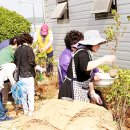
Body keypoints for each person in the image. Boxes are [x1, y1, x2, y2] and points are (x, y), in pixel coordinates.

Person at [58, 30, 116, 103]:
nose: (99, 46)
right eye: (98, 44)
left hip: (79, 90)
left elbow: (86, 76)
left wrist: (92, 93)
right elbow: (85, 67)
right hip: (70, 92)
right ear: (92, 43)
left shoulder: (86, 52)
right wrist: (104, 59)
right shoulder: (82, 52)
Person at [14, 33, 36, 116]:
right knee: (30, 94)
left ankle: (25, 110)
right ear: (28, 40)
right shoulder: (29, 49)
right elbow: (32, 62)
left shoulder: (17, 50)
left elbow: (16, 63)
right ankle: (31, 111)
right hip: (29, 75)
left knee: (23, 95)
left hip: (21, 76)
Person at [0, 36, 21, 103]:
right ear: (16, 43)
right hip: (5, 68)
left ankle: (4, 100)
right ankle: (16, 99)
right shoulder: (12, 51)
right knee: (11, 81)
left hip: (1, 69)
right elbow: (16, 61)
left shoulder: (5, 48)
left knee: (5, 83)